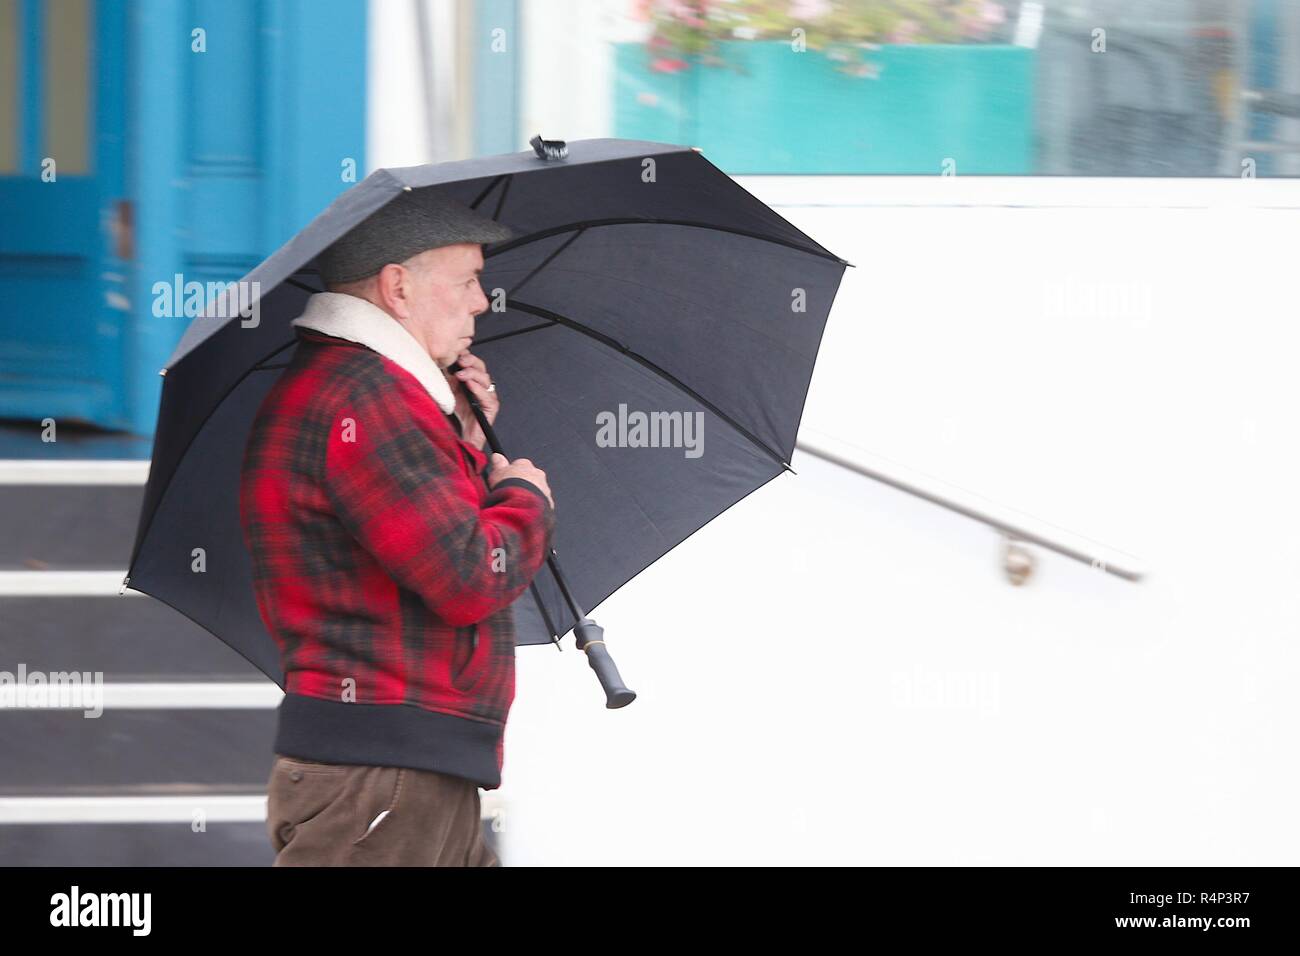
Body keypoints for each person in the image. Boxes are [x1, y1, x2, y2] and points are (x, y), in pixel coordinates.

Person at [239, 190, 556, 865]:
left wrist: (465, 438)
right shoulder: (365, 396)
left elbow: (412, 530)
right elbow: (469, 575)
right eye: (468, 279)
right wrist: (526, 498)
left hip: (403, 766)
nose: (481, 301)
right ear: (398, 287)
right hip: (382, 775)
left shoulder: (374, 392)